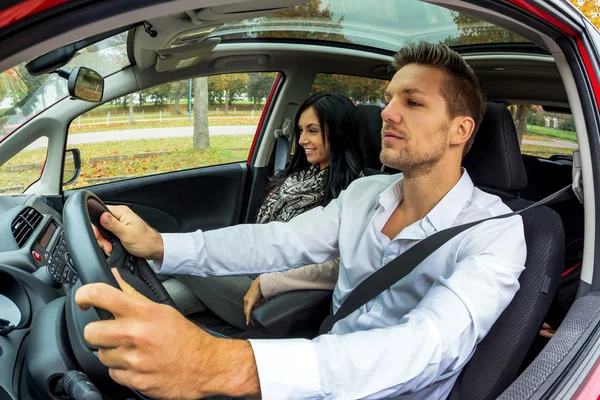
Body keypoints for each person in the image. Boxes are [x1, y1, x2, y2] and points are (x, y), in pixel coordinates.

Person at [76, 42, 526, 400]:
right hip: (314, 371)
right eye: (389, 98)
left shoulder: (496, 233)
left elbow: (426, 346)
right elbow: (277, 241)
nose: (387, 112)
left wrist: (220, 363)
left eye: (412, 102)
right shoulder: (365, 194)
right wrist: (159, 245)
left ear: (459, 131)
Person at [172, 91, 367, 331]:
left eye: (312, 130)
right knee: (169, 287)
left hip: (276, 294)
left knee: (178, 260)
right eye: (301, 130)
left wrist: (269, 282)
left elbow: (339, 266)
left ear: (339, 133)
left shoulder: (356, 193)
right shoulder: (303, 174)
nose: (302, 140)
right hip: (252, 266)